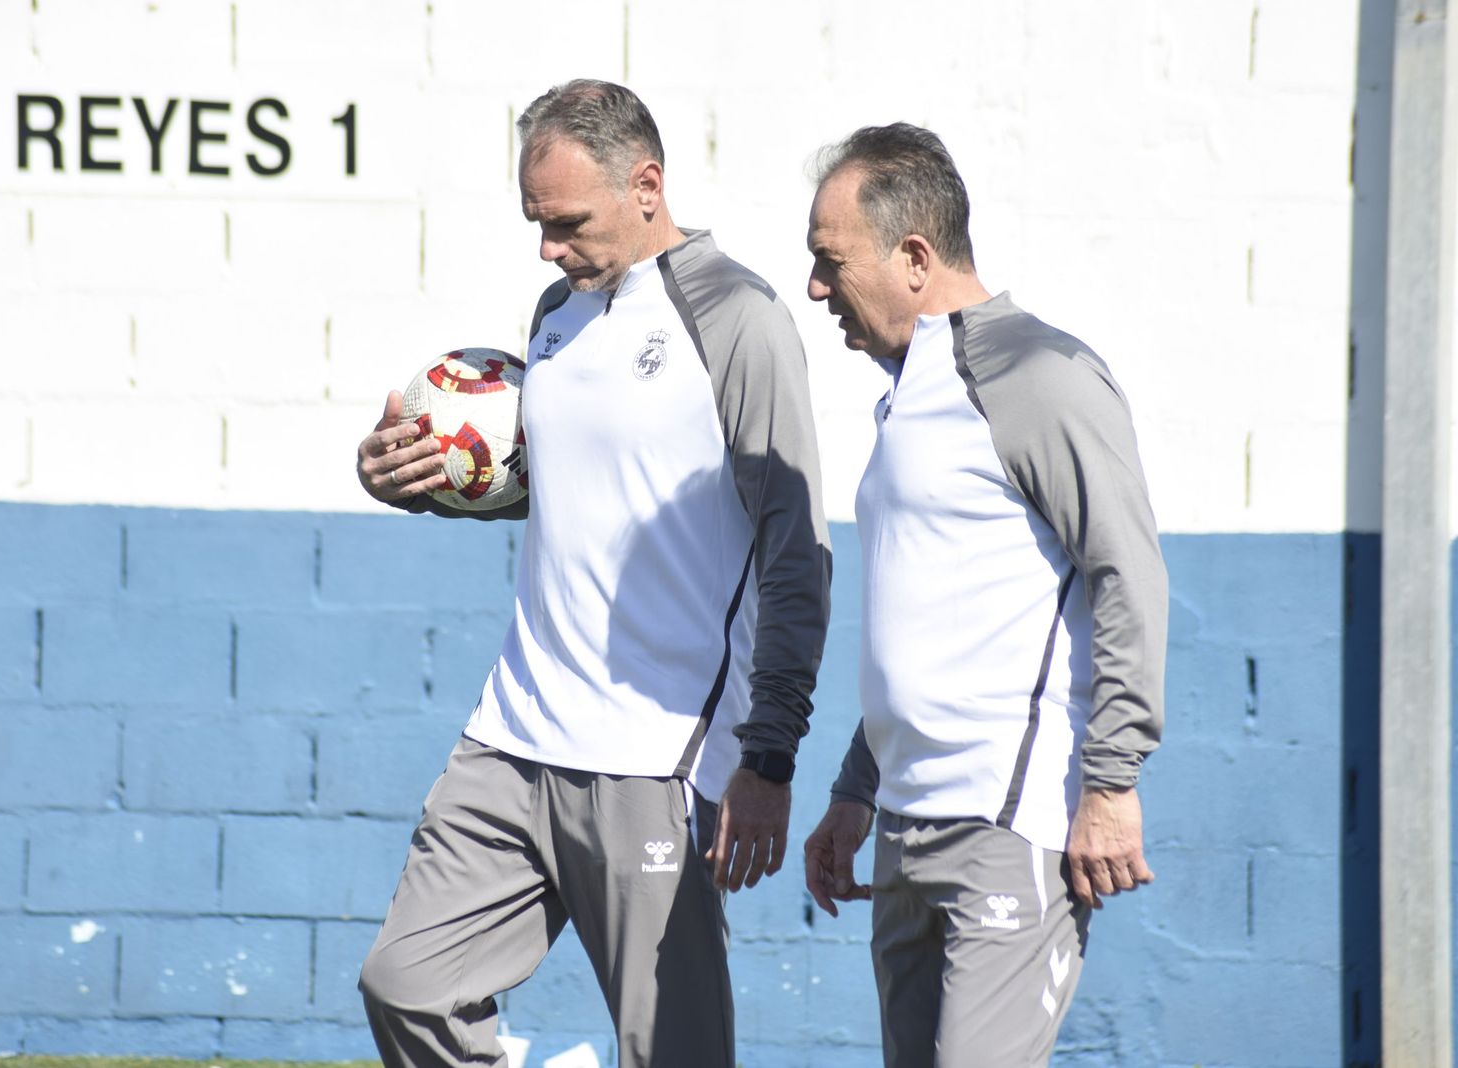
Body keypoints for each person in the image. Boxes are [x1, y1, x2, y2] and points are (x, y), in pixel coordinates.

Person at [355, 79, 831, 1067]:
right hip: (512, 739)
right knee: (405, 985)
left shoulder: (736, 318)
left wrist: (770, 754)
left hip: (657, 756)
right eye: (535, 222)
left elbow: (793, 547)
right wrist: (413, 481)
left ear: (645, 185)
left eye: (565, 221)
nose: (545, 247)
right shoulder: (553, 313)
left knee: (676, 1051)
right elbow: (573, 488)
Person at [799, 123, 1168, 1067]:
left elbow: (1127, 574)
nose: (814, 289)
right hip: (908, 829)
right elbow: (922, 630)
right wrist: (853, 792)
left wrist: (1113, 781)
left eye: (829, 262)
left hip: (1011, 824)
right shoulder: (907, 392)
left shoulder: (1039, 375)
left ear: (914, 258)